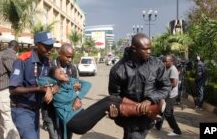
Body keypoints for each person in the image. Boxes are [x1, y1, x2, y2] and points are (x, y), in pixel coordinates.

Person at [37, 66, 166, 139]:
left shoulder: (70, 82)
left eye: (63, 71)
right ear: (53, 77)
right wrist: (48, 87)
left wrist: (78, 97)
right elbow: (40, 79)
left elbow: (87, 84)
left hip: (82, 115)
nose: (64, 73)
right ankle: (148, 110)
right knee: (107, 104)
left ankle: (148, 109)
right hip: (75, 122)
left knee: (110, 98)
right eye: (60, 73)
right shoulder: (54, 87)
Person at [108, 33, 171, 139]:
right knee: (134, 136)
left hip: (149, 116)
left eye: (150, 48)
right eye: (145, 49)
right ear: (134, 49)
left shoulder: (157, 65)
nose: (149, 51)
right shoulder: (118, 69)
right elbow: (115, 95)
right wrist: (115, 110)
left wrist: (150, 100)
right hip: (129, 118)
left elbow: (165, 87)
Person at [9, 31, 55, 139]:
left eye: (51, 46)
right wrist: (38, 89)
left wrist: (51, 87)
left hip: (36, 111)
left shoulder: (47, 62)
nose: (50, 49)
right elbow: (13, 89)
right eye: (46, 46)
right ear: (37, 45)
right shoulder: (22, 60)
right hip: (21, 110)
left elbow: (51, 81)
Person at [41, 43, 79, 139]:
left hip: (67, 109)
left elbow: (76, 85)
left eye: (72, 57)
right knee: (54, 136)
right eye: (68, 57)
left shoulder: (73, 68)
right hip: (50, 110)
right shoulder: (49, 66)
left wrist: (77, 90)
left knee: (67, 135)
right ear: (60, 53)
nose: (70, 60)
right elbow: (42, 82)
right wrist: (51, 88)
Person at [155, 55, 182, 136]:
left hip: (171, 95)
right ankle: (158, 125)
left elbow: (174, 83)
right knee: (161, 109)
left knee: (168, 113)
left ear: (171, 61)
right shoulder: (167, 68)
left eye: (167, 61)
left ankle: (177, 131)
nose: (165, 63)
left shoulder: (173, 69)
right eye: (164, 61)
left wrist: (164, 89)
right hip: (166, 94)